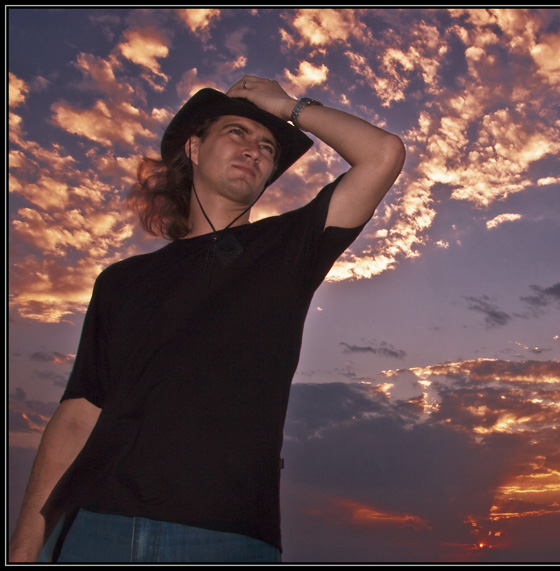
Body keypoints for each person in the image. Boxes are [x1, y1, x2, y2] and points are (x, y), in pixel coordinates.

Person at [8, 75, 405, 563]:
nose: (254, 149)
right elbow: (78, 415)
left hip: (225, 533)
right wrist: (24, 545)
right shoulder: (121, 281)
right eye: (237, 132)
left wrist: (285, 105)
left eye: (267, 147)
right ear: (194, 149)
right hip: (94, 526)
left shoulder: (289, 247)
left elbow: (383, 153)